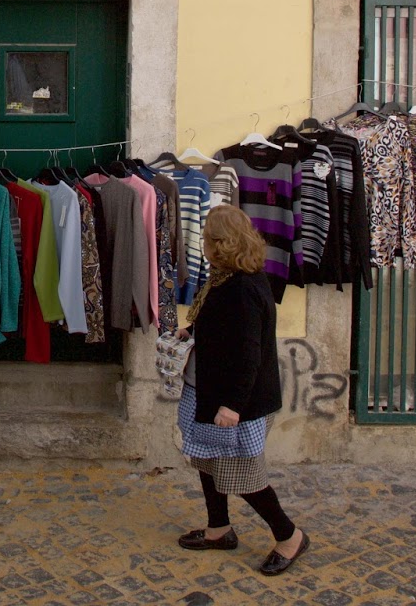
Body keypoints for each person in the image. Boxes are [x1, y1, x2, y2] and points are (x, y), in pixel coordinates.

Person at [175, 204, 306, 577]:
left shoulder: (245, 286)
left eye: (207, 238)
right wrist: (192, 331)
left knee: (244, 476)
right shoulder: (226, 277)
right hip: (205, 389)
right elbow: (222, 328)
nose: (203, 243)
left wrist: (232, 405)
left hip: (235, 402)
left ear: (221, 243)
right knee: (206, 462)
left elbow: (250, 354)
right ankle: (219, 529)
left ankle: (289, 536)